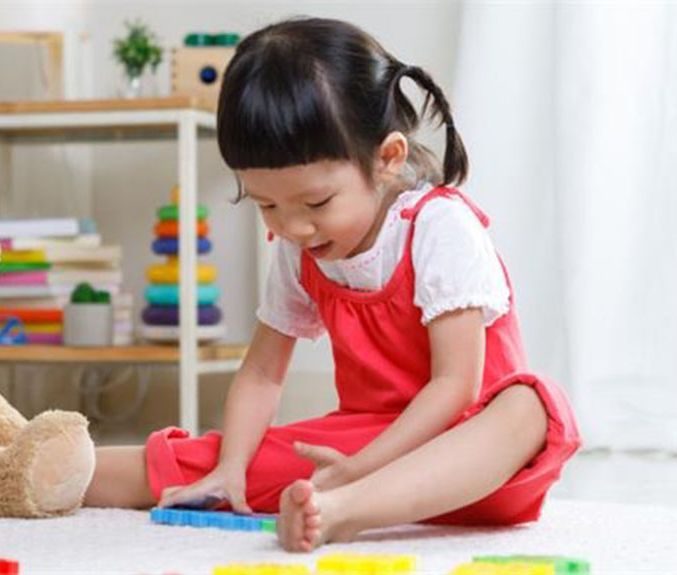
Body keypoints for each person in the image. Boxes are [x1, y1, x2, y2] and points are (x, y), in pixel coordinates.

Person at [82, 17, 581, 552]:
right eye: (267, 205)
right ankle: (41, 465)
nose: (293, 227)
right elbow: (263, 373)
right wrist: (230, 469)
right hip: (361, 447)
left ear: (387, 159)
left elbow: (455, 386)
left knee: (529, 406)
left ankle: (345, 512)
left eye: (316, 203)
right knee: (217, 458)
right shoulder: (299, 248)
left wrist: (360, 470)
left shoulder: (439, 226)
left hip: (471, 461)